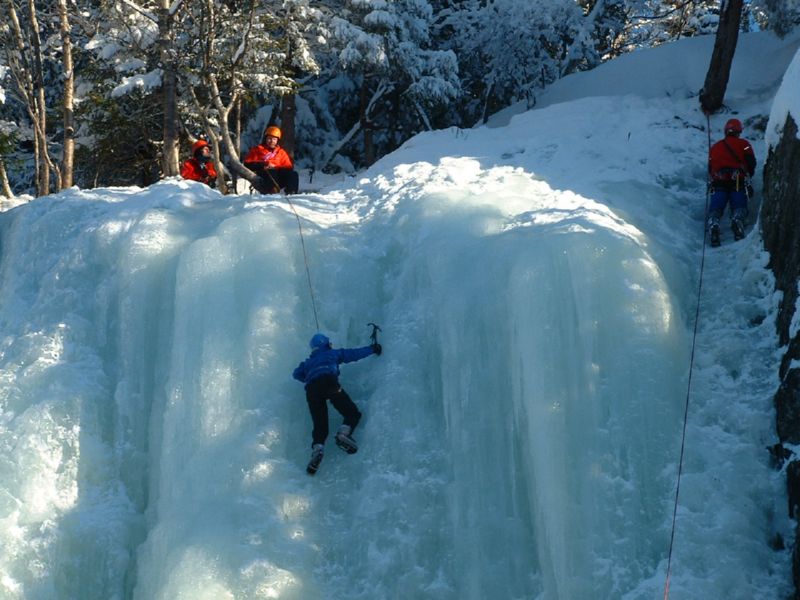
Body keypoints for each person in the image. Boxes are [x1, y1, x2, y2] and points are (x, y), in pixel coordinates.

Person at [292, 332, 382, 474]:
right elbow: (353, 354)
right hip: (329, 381)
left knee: (320, 424)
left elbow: (296, 373)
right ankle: (343, 434)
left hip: (311, 389)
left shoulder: (307, 363)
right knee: (352, 413)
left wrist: (309, 377)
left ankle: (318, 449)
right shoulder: (333, 353)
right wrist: (372, 349)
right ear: (327, 344)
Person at [707, 118, 756, 247]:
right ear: (739, 131)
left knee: (717, 203)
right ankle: (737, 220)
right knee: (739, 202)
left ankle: (714, 221)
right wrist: (749, 175)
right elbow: (751, 162)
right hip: (738, 179)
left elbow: (710, 166)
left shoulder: (715, 146)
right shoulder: (744, 144)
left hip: (719, 180)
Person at [243, 125, 299, 194]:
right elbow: (247, 164)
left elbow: (288, 167)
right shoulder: (257, 150)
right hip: (263, 178)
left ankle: (291, 192)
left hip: (278, 178)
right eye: (269, 138)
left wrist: (277, 168)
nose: (272, 141)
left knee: (293, 174)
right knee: (271, 171)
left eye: (274, 139)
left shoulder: (280, 152)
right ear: (265, 139)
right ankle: (272, 192)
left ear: (277, 141)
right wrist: (264, 165)